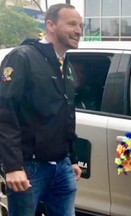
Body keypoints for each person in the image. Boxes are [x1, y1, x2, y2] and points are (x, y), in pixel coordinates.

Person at [0, 3, 82, 216]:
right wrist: (12, 167)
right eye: (72, 24)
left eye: (80, 25)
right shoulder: (23, 57)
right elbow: (4, 112)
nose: (78, 30)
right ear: (50, 25)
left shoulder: (66, 65)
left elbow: (65, 115)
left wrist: (71, 158)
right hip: (29, 168)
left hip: (62, 166)